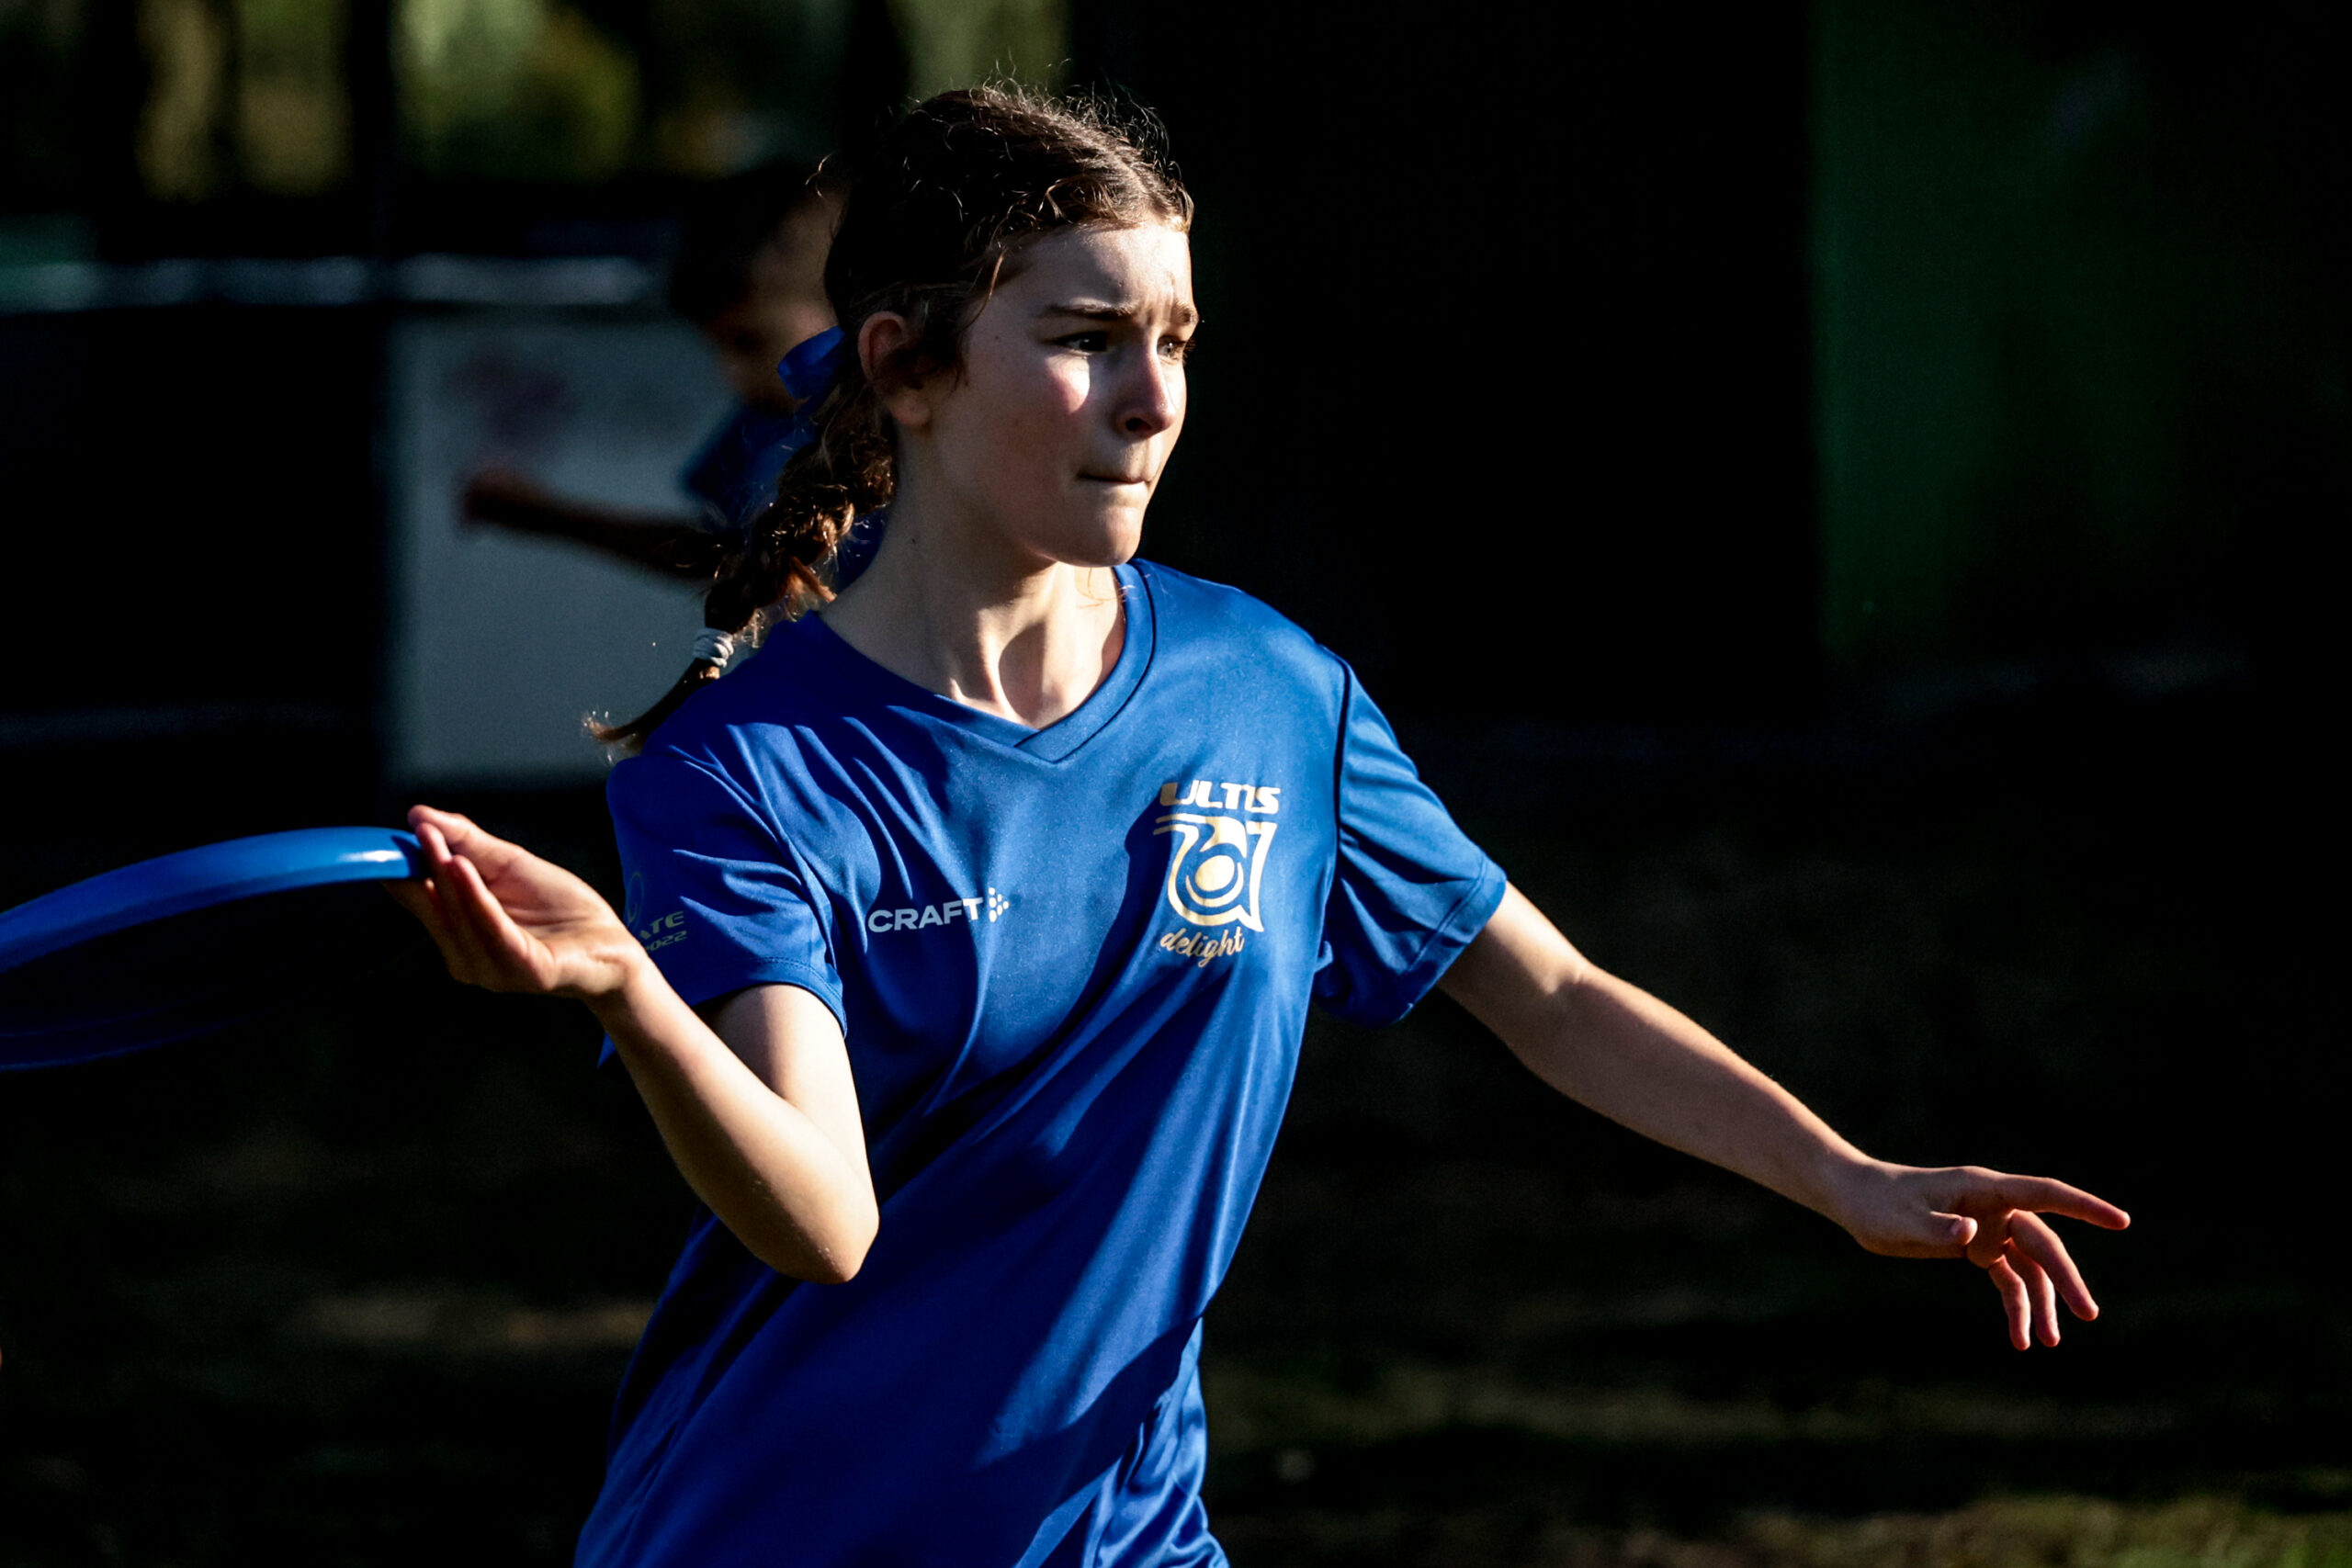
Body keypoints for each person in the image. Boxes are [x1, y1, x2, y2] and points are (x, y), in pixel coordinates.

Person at [390, 86, 2130, 1568]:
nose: (1153, 401)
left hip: (1128, 1534)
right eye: (1083, 340)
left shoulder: (1268, 690)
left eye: (1175, 340)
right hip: (778, 1527)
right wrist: (629, 990)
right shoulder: (744, 769)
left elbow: (1548, 992)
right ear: (908, 367)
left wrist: (1846, 1177)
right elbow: (824, 1222)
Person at [458, 158, 844, 581]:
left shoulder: (892, 440)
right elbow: (721, 555)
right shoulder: (760, 428)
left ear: (849, 307)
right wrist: (549, 517)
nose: (731, 375)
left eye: (749, 343)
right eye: (717, 348)